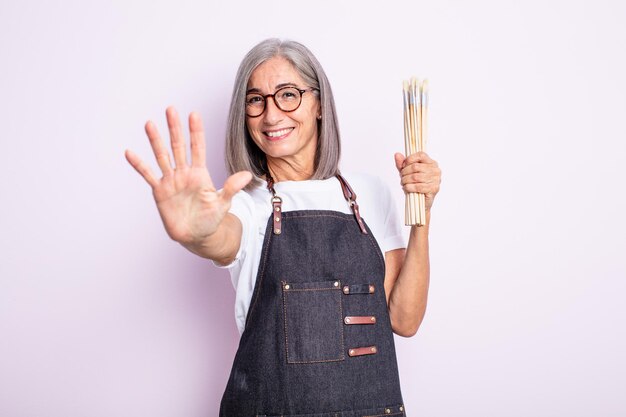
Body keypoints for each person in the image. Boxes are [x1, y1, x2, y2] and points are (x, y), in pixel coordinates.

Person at [125, 38, 441, 417]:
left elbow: (405, 321)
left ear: (320, 103)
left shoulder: (369, 194)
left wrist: (422, 212)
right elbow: (223, 238)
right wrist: (200, 232)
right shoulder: (247, 203)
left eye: (288, 95)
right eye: (256, 100)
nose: (271, 115)